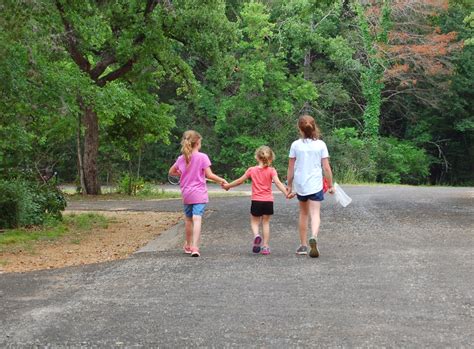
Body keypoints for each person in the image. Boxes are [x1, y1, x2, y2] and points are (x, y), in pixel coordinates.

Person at [169, 130, 227, 257]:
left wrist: (181, 173)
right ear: (197, 143)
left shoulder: (181, 158)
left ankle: (188, 245)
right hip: (199, 193)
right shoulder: (202, 157)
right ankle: (195, 247)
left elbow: (171, 172)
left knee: (188, 220)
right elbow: (209, 175)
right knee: (197, 218)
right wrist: (222, 180)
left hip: (186, 193)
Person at [222, 146, 287, 255]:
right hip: (268, 201)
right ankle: (265, 247)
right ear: (270, 158)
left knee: (254, 222)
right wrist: (286, 193)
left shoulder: (251, 170)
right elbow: (278, 183)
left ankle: (257, 236)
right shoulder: (272, 170)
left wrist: (228, 186)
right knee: (265, 223)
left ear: (257, 157)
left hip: (256, 201)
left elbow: (239, 181)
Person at [287, 115, 335, 258]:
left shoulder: (295, 145)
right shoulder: (321, 144)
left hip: (301, 184)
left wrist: (289, 185)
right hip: (315, 184)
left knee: (303, 214)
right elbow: (326, 168)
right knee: (315, 213)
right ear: (314, 127)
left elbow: (291, 167)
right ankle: (313, 236)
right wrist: (330, 185)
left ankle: (303, 246)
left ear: (299, 128)